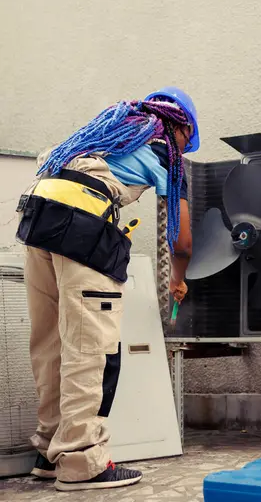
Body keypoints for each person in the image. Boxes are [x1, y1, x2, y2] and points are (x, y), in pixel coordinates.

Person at [15, 87, 199, 492]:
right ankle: (82, 462)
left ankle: (50, 453)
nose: (185, 147)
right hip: (82, 224)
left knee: (50, 344)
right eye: (188, 138)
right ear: (181, 126)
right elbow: (181, 242)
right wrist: (177, 279)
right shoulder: (168, 155)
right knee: (88, 346)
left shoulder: (104, 135)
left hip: (38, 215)